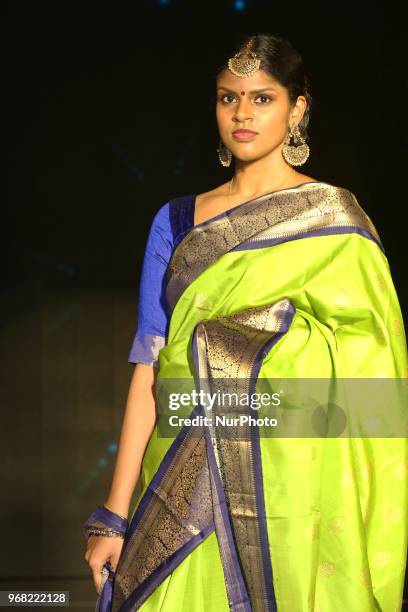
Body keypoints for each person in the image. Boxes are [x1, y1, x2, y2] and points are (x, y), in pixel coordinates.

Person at [83, 33, 407, 612]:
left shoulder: (334, 220)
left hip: (288, 486)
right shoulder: (176, 221)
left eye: (262, 98)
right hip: (177, 475)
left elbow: (373, 374)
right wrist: (113, 513)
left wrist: (237, 353)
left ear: (297, 108)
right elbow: (149, 369)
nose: (241, 114)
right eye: (227, 98)